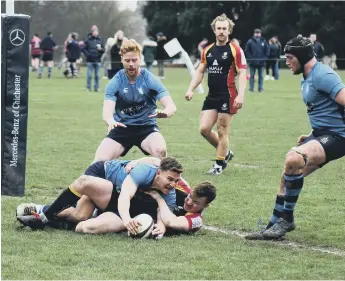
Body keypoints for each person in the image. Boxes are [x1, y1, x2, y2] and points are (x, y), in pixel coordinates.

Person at [245, 36, 345, 240]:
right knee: (287, 174)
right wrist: (311, 135)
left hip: (338, 136)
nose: (287, 62)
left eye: (290, 58)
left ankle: (287, 220)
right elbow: (324, 110)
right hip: (322, 134)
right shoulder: (306, 76)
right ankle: (272, 226)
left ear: (301, 56)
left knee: (294, 159)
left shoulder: (323, 75)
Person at [17, 157, 183, 235]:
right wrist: (126, 220)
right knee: (81, 207)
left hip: (116, 203)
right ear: (159, 173)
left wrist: (161, 226)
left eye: (176, 181)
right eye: (170, 179)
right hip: (104, 178)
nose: (172, 184)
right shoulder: (144, 171)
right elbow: (125, 195)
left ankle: (44, 213)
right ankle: (43, 214)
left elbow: (165, 214)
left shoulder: (170, 193)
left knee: (84, 223)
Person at [94, 39, 177, 162]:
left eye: (134, 60)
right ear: (121, 59)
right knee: (99, 161)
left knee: (160, 151)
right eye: (127, 60)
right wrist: (110, 121)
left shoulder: (150, 79)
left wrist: (166, 112)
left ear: (140, 59)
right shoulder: (115, 82)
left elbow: (171, 106)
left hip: (146, 127)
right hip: (121, 127)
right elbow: (107, 113)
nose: (131, 64)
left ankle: (159, 179)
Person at [185, 13, 247, 175]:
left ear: (229, 30)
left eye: (224, 29)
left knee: (222, 130)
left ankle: (219, 164)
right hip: (212, 96)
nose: (221, 31)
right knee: (204, 129)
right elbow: (200, 71)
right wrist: (191, 89)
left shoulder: (235, 50)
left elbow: (242, 73)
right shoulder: (208, 50)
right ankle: (226, 152)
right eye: (218, 28)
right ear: (214, 30)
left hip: (228, 95)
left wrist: (241, 96)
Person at [146, 181, 217, 234]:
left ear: (205, 206)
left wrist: (159, 198)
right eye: (190, 196)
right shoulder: (182, 187)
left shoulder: (196, 220)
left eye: (196, 202)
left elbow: (172, 223)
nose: (189, 202)